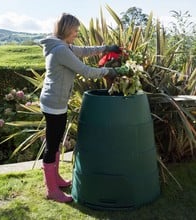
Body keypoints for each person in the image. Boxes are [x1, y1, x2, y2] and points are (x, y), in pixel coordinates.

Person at [39, 13, 120, 203]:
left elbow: (83, 51)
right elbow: (86, 71)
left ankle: (56, 179)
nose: (76, 33)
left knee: (56, 140)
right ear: (67, 29)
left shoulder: (62, 45)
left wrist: (105, 48)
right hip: (53, 104)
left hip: (55, 101)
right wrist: (110, 71)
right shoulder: (60, 50)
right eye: (75, 30)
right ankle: (52, 190)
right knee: (52, 145)